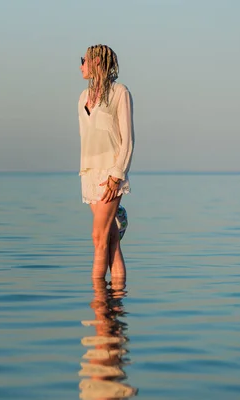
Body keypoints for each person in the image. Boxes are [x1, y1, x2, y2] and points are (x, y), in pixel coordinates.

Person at [78, 44, 135, 280]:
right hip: (89, 173)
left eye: (83, 60)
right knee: (111, 241)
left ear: (97, 62)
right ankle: (117, 303)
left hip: (110, 173)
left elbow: (128, 140)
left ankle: (99, 305)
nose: (80, 66)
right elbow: (85, 137)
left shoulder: (120, 92)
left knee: (97, 237)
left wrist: (116, 175)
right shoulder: (83, 97)